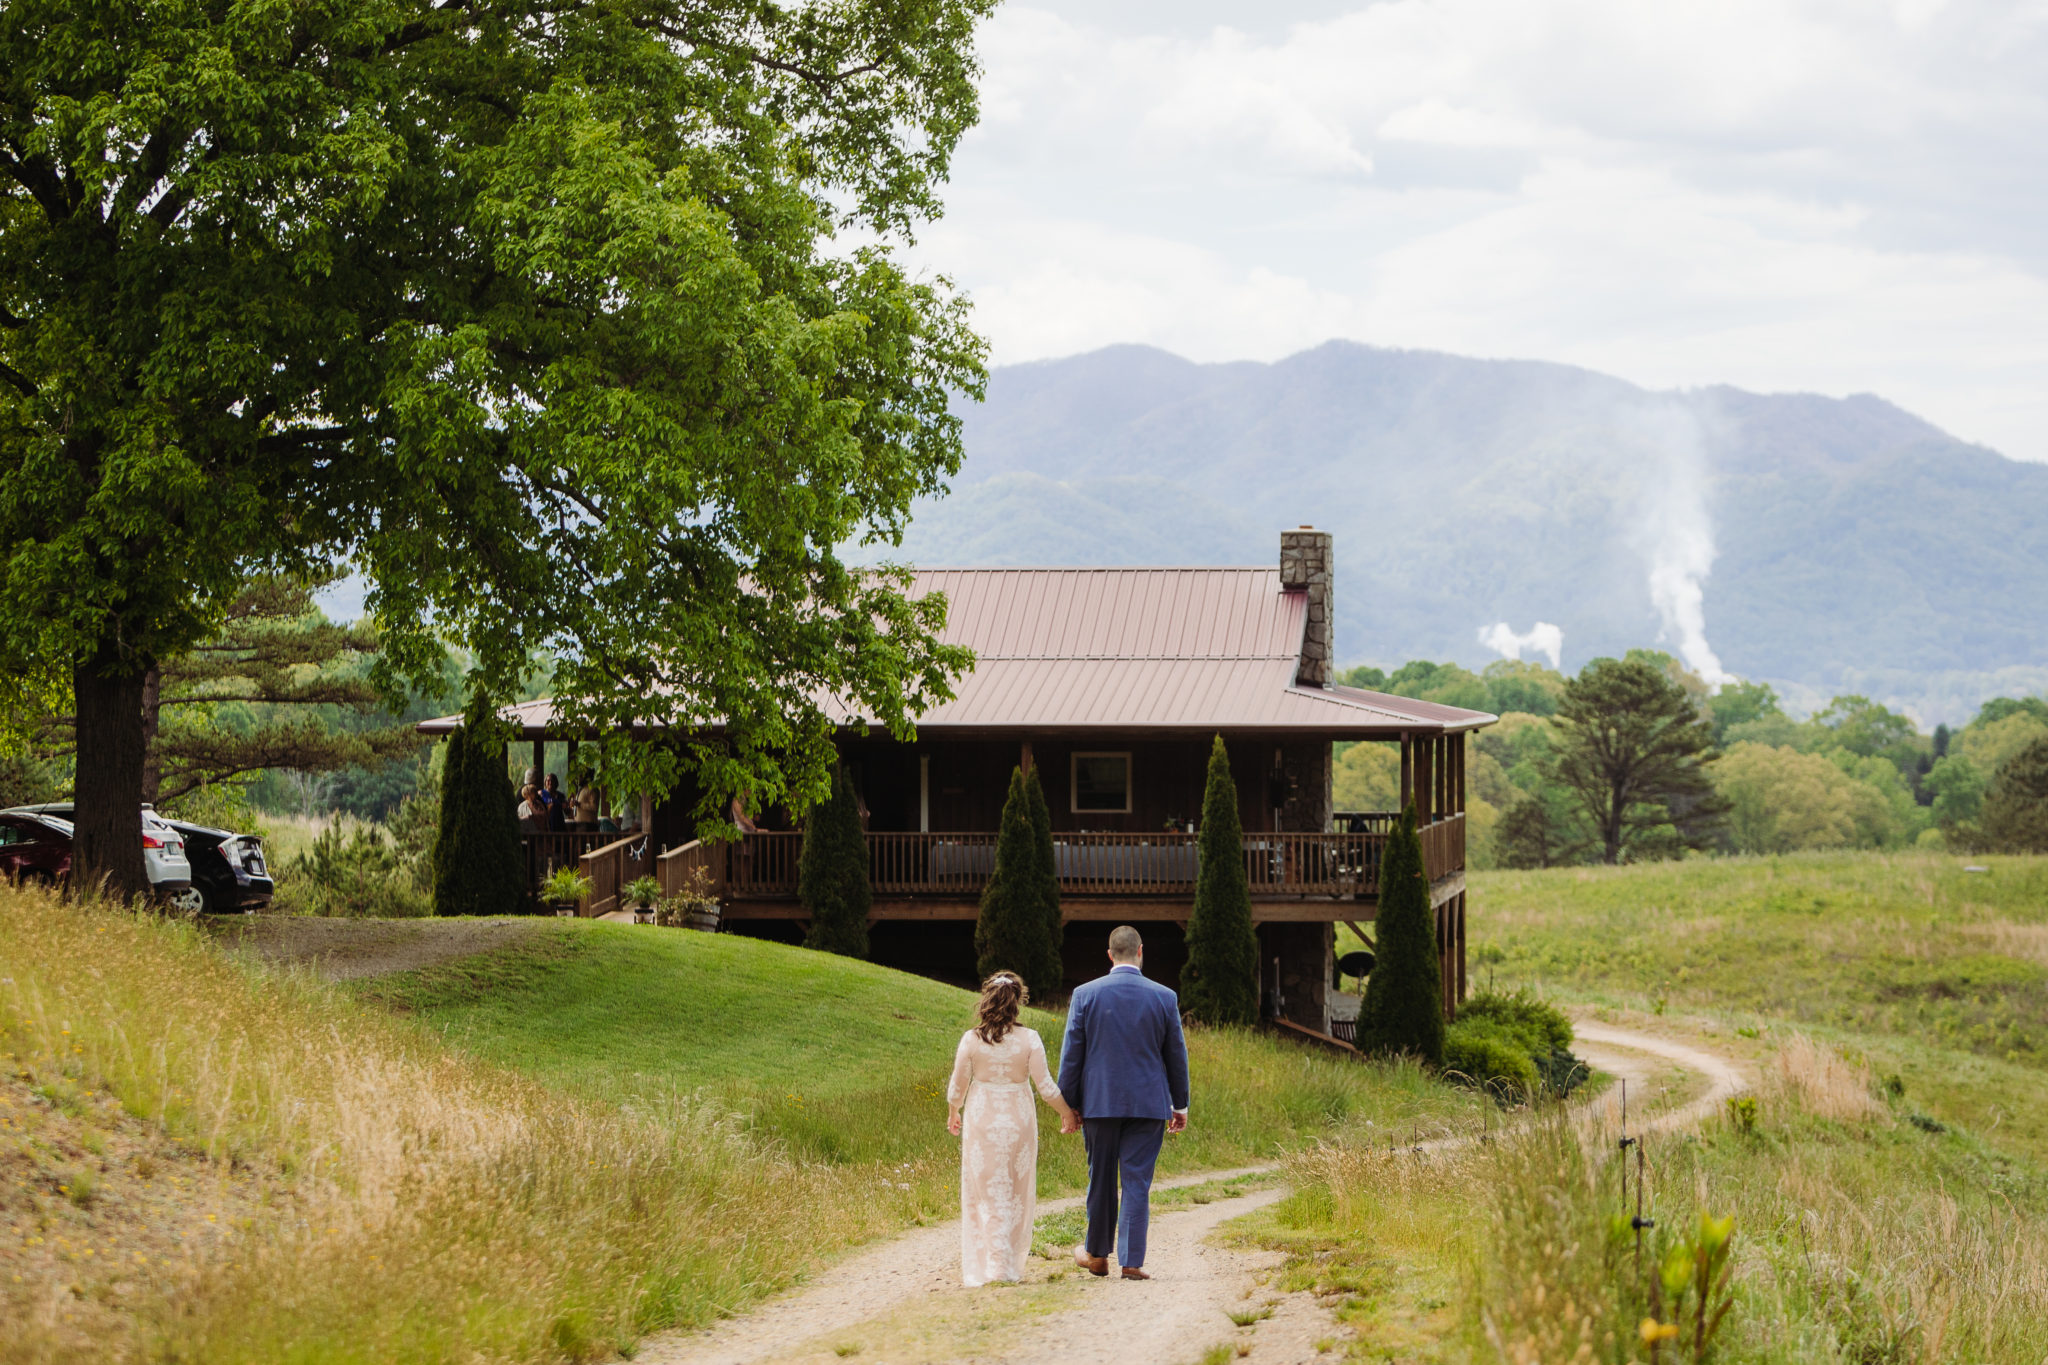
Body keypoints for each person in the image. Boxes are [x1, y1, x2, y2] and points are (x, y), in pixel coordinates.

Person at [1056, 924, 1190, 1281]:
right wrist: (1181, 1105)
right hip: (1149, 1105)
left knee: (1100, 1179)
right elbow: (1176, 1055)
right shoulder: (1165, 997)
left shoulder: (1085, 994)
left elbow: (1072, 1055)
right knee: (1136, 1182)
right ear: (1141, 951)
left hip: (1099, 1103)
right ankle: (1131, 1262)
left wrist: (1068, 1105)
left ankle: (1097, 1256)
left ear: (1110, 954)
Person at [945, 972, 1077, 1287]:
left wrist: (954, 1111)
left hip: (982, 1120)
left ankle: (994, 1265)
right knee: (1014, 1191)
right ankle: (1003, 1265)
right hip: (1018, 1120)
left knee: (986, 1191)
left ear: (986, 1000)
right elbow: (1045, 1087)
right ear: (1017, 1002)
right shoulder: (1029, 1039)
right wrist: (1067, 1115)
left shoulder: (971, 1039)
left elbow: (957, 1086)